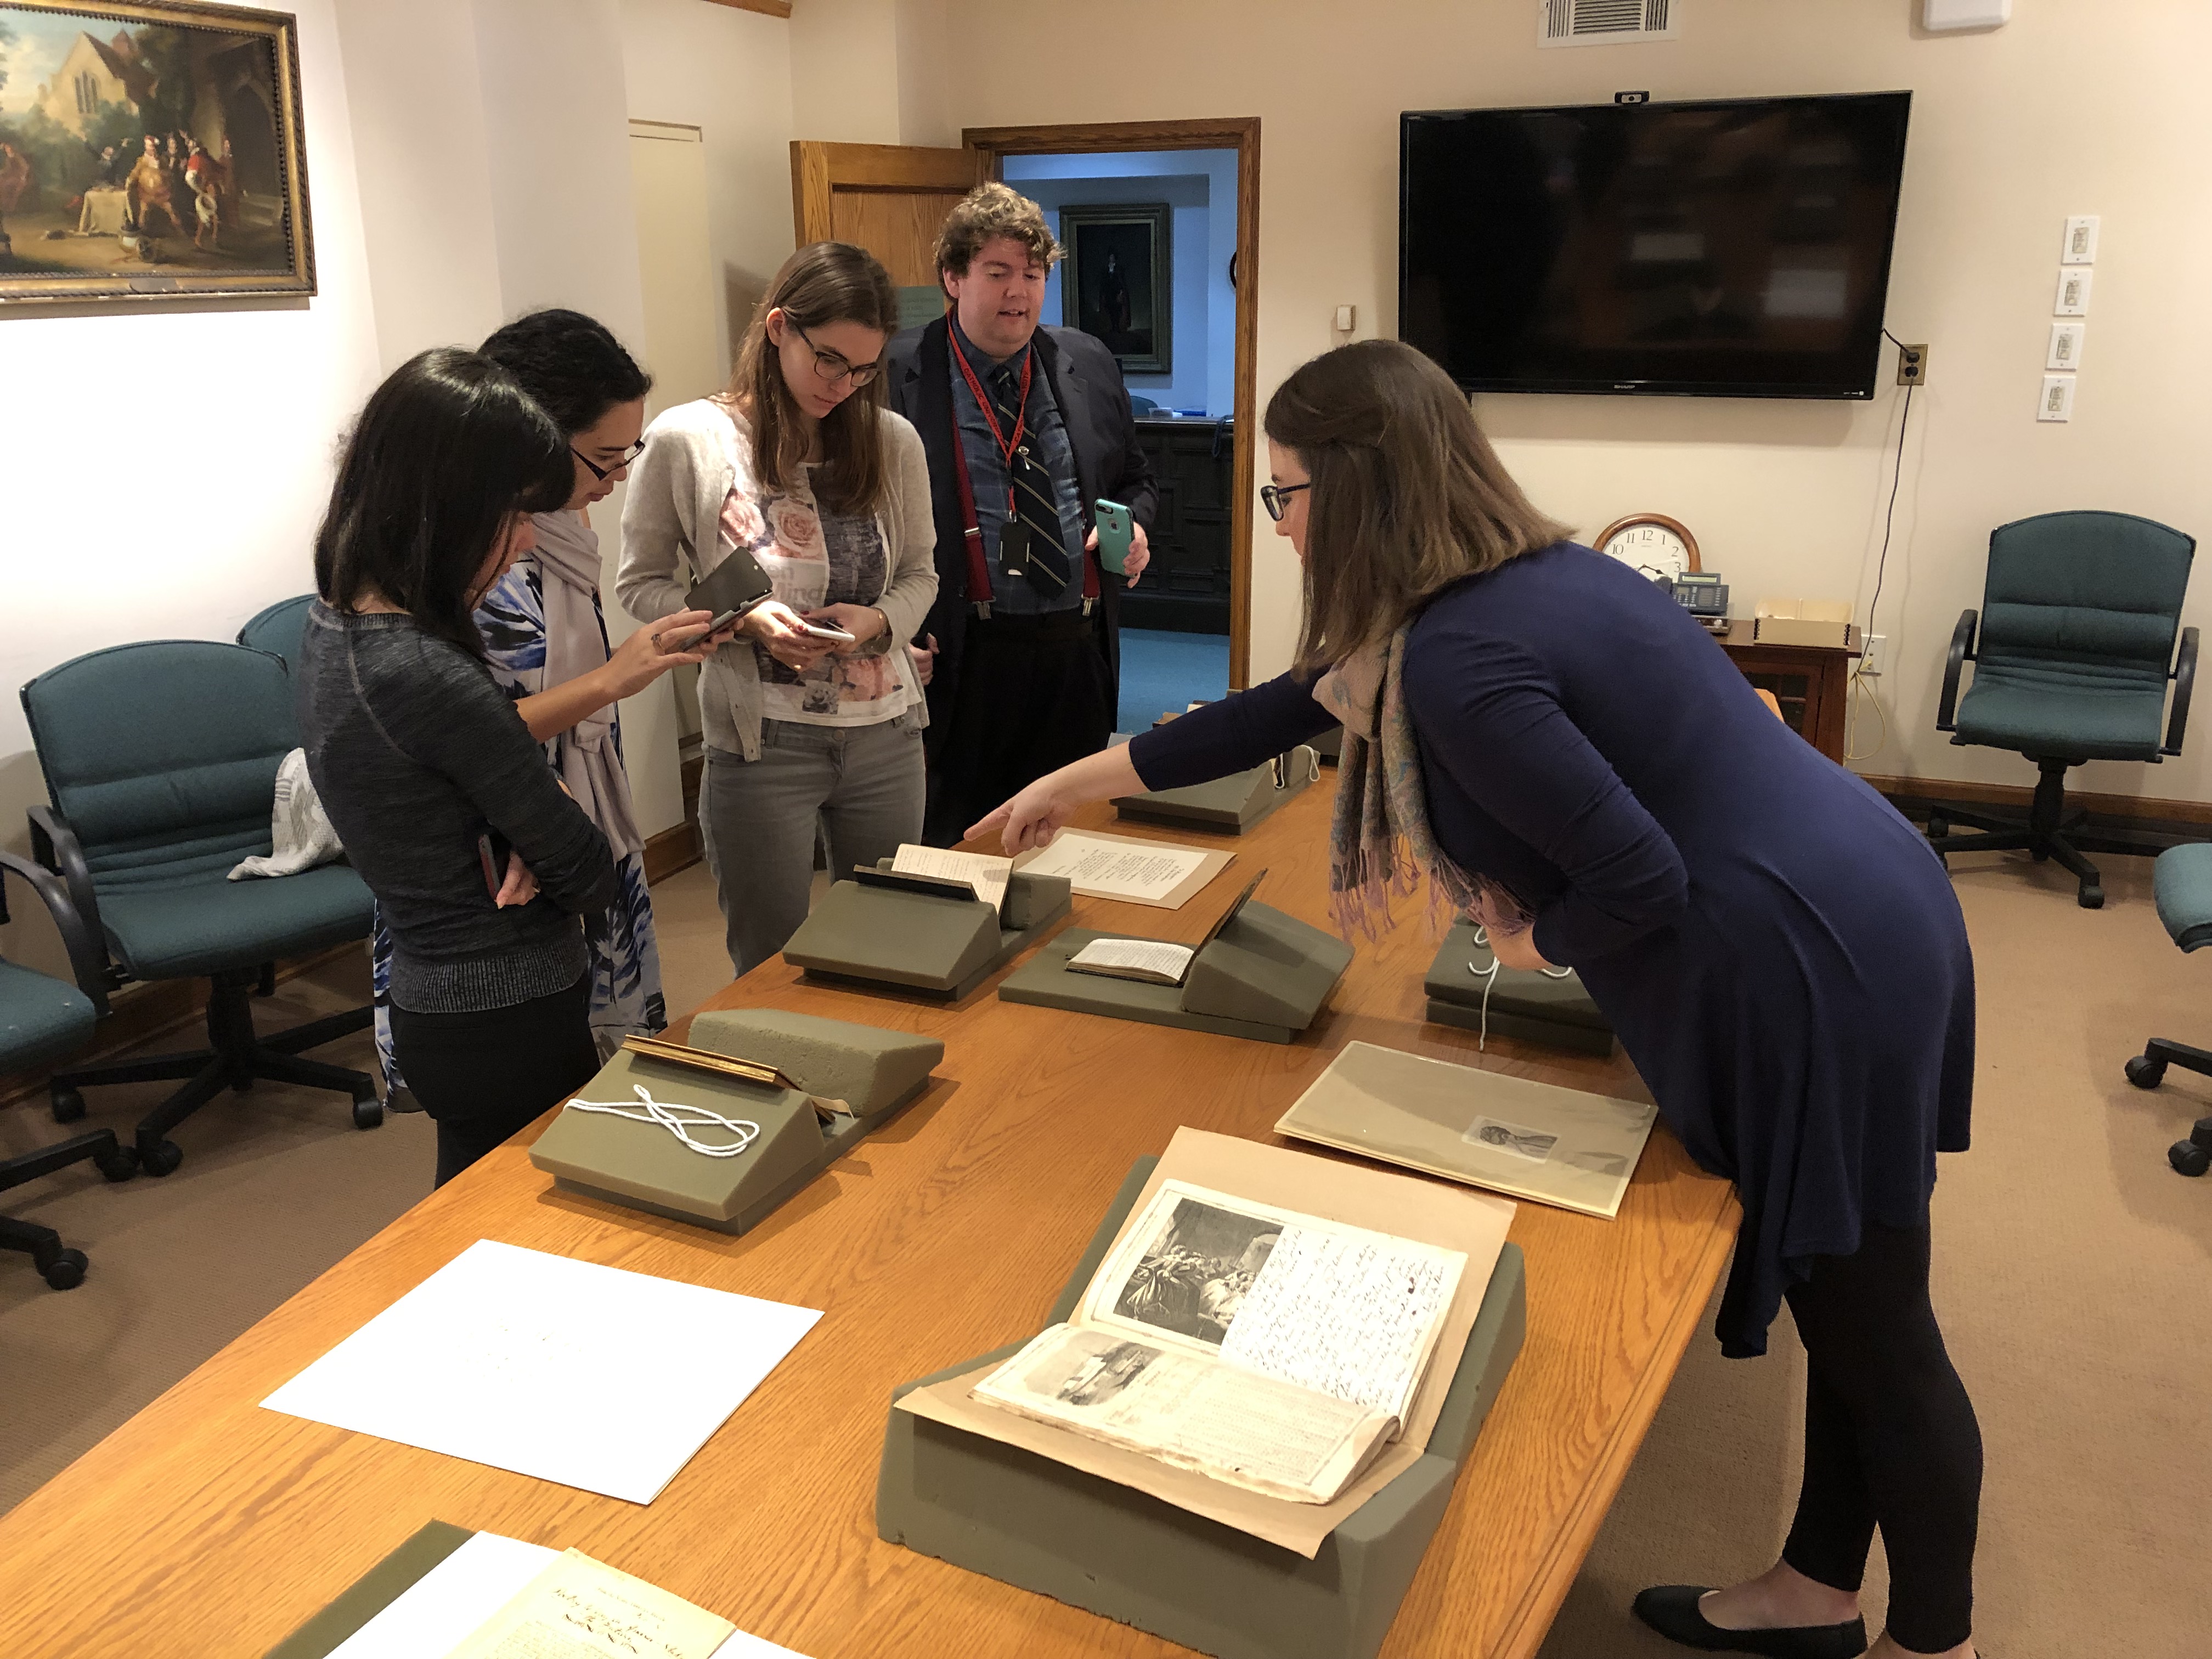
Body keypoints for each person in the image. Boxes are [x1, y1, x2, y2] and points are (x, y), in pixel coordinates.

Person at [974, 338, 1983, 1659]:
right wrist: (1070, 784)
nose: (1277, 523)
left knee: (1878, 1324)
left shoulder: (1455, 656)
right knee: (1851, 1284)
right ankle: (1820, 1585)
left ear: (1356, 490)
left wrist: (1537, 937)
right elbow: (1283, 707)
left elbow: (1636, 875)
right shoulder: (1521, 579)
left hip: (1801, 957)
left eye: (1284, 495)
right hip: (1860, 893)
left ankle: (1939, 1644)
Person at [301, 348, 641, 1187]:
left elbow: (465, 790)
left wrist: (520, 808)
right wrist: (541, 808)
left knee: (477, 1213)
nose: (528, 536)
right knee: (529, 1225)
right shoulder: (425, 670)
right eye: (514, 513)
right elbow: (588, 869)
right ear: (447, 507)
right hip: (504, 1005)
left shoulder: (331, 624)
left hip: (438, 997)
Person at [367, 311, 718, 1107]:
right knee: (521, 1109)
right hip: (500, 859)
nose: (620, 475)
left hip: (565, 814)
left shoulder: (551, 535)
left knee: (585, 1086)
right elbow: (456, 736)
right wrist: (610, 681)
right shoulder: (473, 560)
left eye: (629, 452)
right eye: (604, 457)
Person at [619, 242, 939, 977]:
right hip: (762, 744)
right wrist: (743, 619)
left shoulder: (893, 442)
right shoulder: (690, 439)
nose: (845, 384)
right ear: (777, 330)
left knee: (889, 951)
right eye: (830, 360)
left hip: (885, 733)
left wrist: (881, 622)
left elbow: (921, 575)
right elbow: (640, 585)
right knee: (771, 967)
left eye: (864, 369)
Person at [884, 182, 1159, 845]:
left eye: (1033, 275)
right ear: (953, 277)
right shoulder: (895, 372)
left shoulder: (1086, 361)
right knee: (967, 845)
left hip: (1077, 652)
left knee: (1072, 845)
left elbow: (1137, 479)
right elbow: (863, 520)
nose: (1019, 293)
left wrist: (1136, 524)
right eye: (998, 273)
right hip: (965, 655)